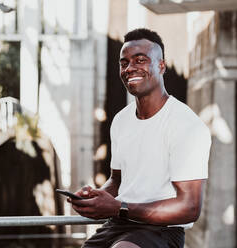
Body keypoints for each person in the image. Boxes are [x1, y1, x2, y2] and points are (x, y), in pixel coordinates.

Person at [68, 28, 211, 248]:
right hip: (119, 224)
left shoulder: (186, 125)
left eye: (140, 60)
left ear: (161, 66)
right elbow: (117, 180)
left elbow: (190, 208)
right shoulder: (121, 120)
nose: (130, 68)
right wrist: (96, 197)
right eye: (123, 62)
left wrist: (118, 207)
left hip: (163, 230)